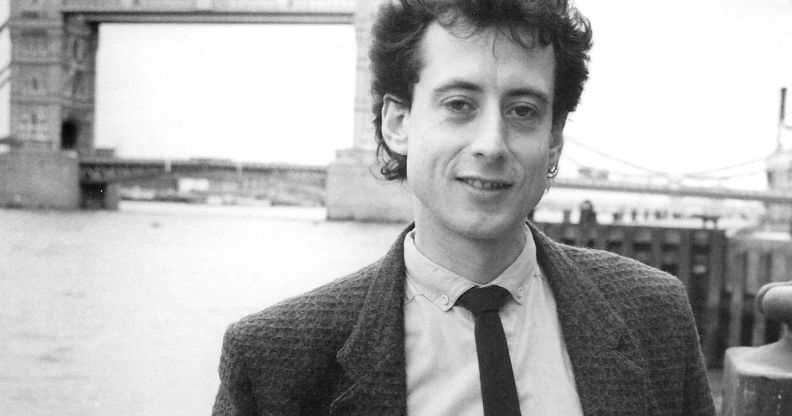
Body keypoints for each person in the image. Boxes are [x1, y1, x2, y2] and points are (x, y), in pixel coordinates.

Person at [212, 1, 716, 415]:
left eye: (523, 111)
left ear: (554, 141)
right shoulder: (275, 361)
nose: (492, 144)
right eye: (459, 104)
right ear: (398, 123)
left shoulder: (655, 315)